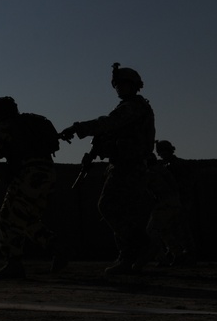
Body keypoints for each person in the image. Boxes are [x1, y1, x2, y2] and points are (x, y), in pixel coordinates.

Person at [60, 63, 156, 275]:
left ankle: (139, 246)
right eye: (117, 85)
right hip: (126, 165)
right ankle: (129, 256)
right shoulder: (133, 107)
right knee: (122, 212)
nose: (119, 88)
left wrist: (78, 128)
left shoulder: (132, 107)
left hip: (129, 167)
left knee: (109, 206)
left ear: (134, 86)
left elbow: (108, 123)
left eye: (123, 84)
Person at [0, 96, 65, 279]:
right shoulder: (29, 122)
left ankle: (13, 263)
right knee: (27, 219)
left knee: (8, 216)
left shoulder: (1, 126)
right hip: (48, 172)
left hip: (29, 174)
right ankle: (58, 249)